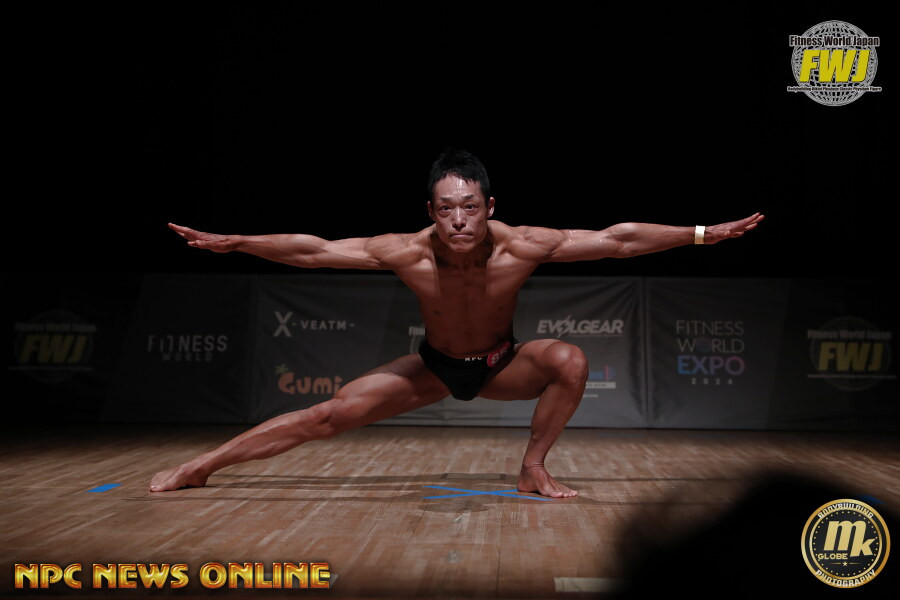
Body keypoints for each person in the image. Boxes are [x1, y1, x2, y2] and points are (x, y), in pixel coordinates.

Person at [149, 149, 764, 498]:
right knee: (327, 416)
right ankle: (202, 466)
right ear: (431, 211)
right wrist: (236, 242)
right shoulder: (406, 252)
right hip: (436, 366)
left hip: (501, 363)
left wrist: (701, 233)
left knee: (569, 360)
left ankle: (532, 468)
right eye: (447, 209)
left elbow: (617, 240)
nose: (460, 221)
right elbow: (315, 250)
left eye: (470, 207)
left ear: (490, 206)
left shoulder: (523, 244)